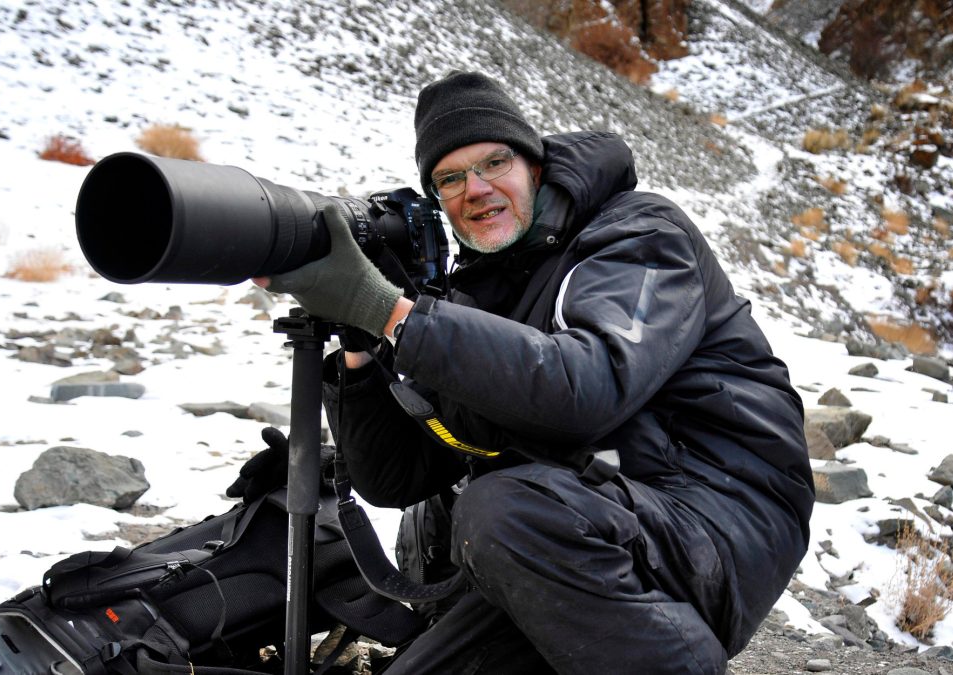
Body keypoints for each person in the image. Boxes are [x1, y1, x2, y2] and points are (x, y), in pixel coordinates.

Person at [255, 71, 814, 674]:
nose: (476, 189)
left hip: (720, 514)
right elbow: (399, 478)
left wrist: (392, 313)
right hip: (591, 519)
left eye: (495, 163)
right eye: (450, 178)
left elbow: (587, 387)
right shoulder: (487, 283)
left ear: (535, 166)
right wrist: (363, 349)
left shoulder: (641, 233)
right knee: (448, 527)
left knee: (501, 510)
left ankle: (673, 660)